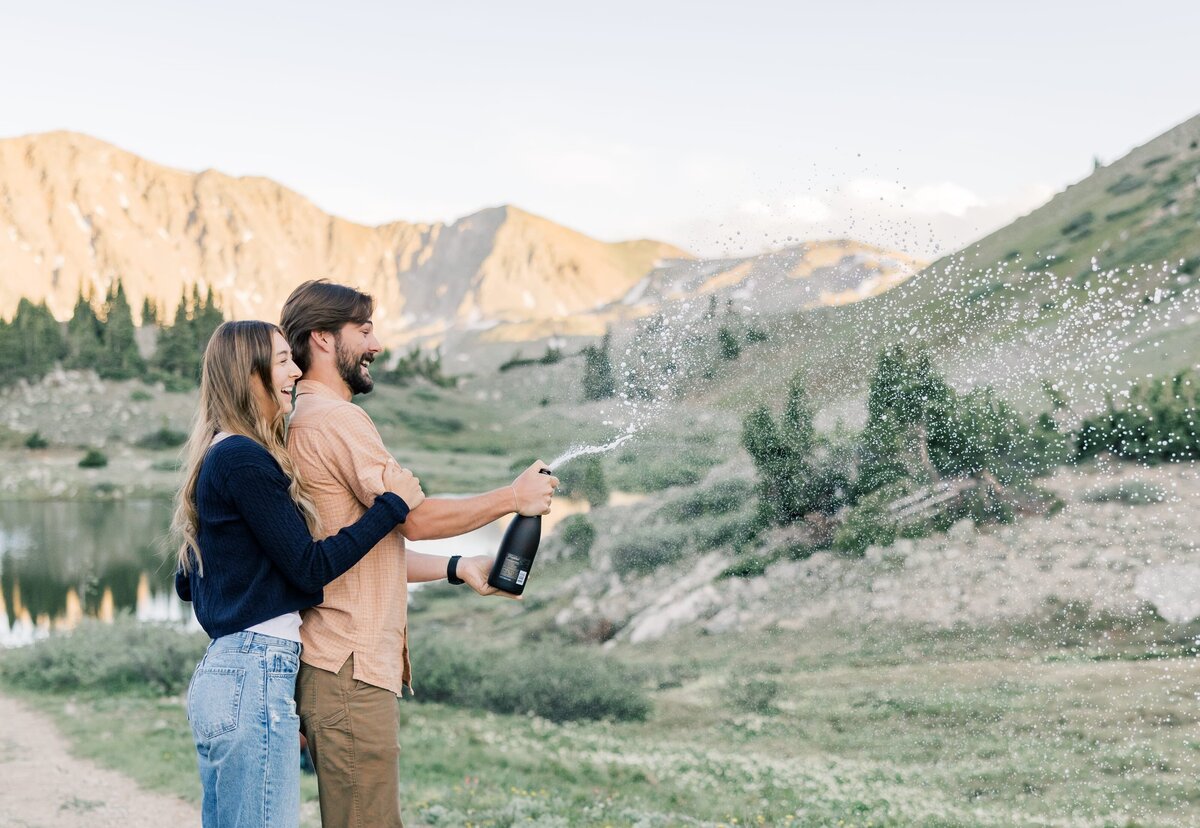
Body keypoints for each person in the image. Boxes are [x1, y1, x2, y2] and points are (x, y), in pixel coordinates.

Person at [279, 280, 558, 828]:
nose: (377, 343)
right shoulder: (337, 421)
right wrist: (512, 498)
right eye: (363, 330)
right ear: (322, 339)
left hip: (336, 665)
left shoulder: (303, 419)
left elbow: (355, 552)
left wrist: (457, 567)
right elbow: (414, 518)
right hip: (349, 668)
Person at [173, 320, 425, 828]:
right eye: (284, 360)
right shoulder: (245, 459)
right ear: (251, 375)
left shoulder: (218, 454)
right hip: (253, 670)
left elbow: (187, 581)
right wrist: (392, 505)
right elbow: (311, 570)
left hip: (228, 672)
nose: (296, 371)